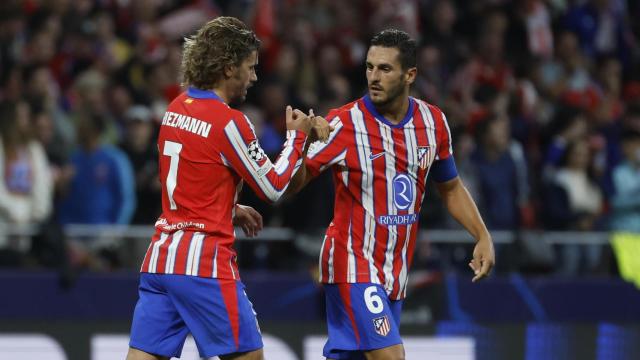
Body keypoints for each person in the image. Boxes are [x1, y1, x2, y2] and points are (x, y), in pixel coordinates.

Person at [126, 17, 328, 360]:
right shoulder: (229, 122)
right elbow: (274, 187)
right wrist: (296, 137)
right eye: (249, 68)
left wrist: (229, 209)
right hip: (203, 265)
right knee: (250, 356)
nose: (254, 77)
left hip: (161, 260)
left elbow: (187, 182)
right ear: (227, 67)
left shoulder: (176, 108)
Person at [287, 29, 495, 360]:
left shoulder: (433, 123)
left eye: (384, 69)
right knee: (390, 356)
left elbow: (451, 188)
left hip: (394, 271)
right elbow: (291, 186)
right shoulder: (344, 123)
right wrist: (302, 143)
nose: (373, 76)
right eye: (369, 67)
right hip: (351, 263)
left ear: (410, 74)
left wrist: (482, 235)